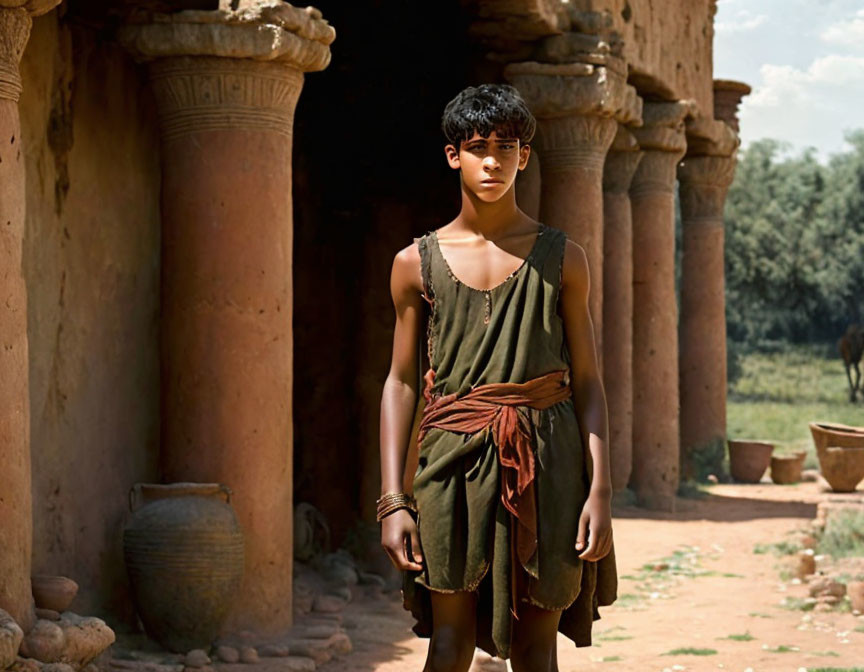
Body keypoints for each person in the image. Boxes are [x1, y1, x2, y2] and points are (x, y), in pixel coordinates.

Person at [377, 83, 617, 672]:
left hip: (549, 463)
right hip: (448, 463)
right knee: (449, 643)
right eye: (477, 146)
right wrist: (392, 500)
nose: (492, 161)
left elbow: (586, 380)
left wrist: (601, 490)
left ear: (524, 156)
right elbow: (402, 382)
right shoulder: (415, 263)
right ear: (453, 155)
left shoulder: (564, 258)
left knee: (538, 649)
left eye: (506, 147)